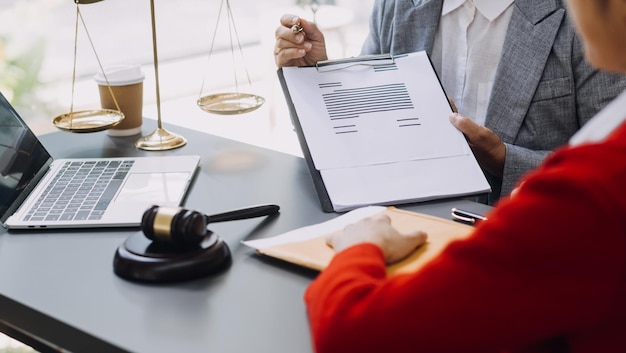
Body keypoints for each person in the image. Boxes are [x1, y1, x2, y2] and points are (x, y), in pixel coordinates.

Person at [303, 0, 626, 351]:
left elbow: (350, 332)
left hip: (479, 261)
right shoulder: (397, 8)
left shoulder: (590, 193)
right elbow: (364, 128)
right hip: (418, 233)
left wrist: (358, 248)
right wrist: (311, 81)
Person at [274, 0, 626, 204]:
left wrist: (503, 159)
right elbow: (363, 138)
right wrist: (314, 80)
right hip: (401, 217)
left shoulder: (592, 14)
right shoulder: (399, 6)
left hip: (526, 235)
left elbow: (612, 174)